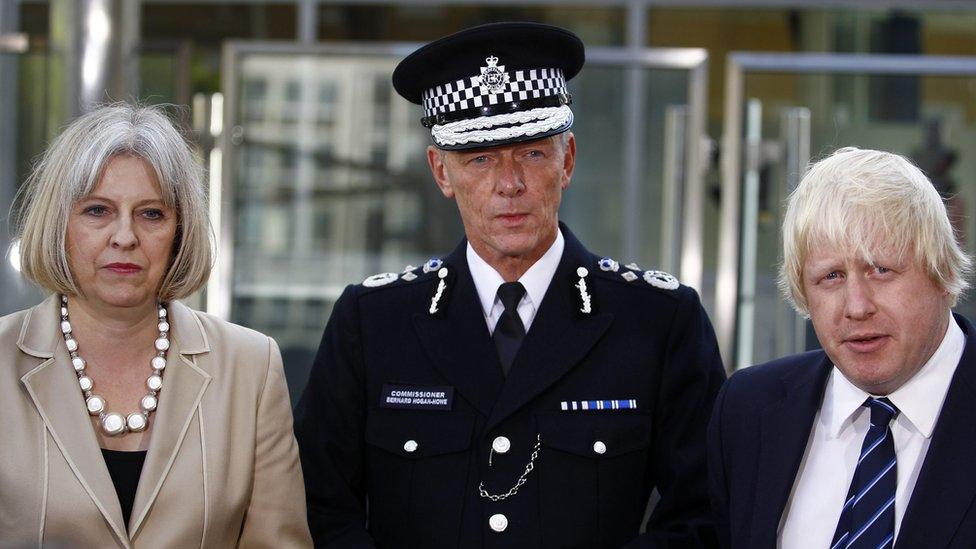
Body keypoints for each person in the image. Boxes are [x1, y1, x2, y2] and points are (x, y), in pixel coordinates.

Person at [295, 22, 726, 548]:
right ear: (441, 172)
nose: (510, 184)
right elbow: (318, 508)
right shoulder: (372, 320)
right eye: (480, 159)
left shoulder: (659, 321)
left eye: (532, 153)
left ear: (567, 160)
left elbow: (703, 515)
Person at [0, 104, 312, 547]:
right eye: (97, 210)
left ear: (180, 232)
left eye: (151, 214)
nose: (124, 236)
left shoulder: (251, 366)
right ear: (58, 225)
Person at [707, 147, 976, 549]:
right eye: (830, 277)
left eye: (881, 270)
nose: (856, 307)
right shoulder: (748, 411)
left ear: (942, 271)